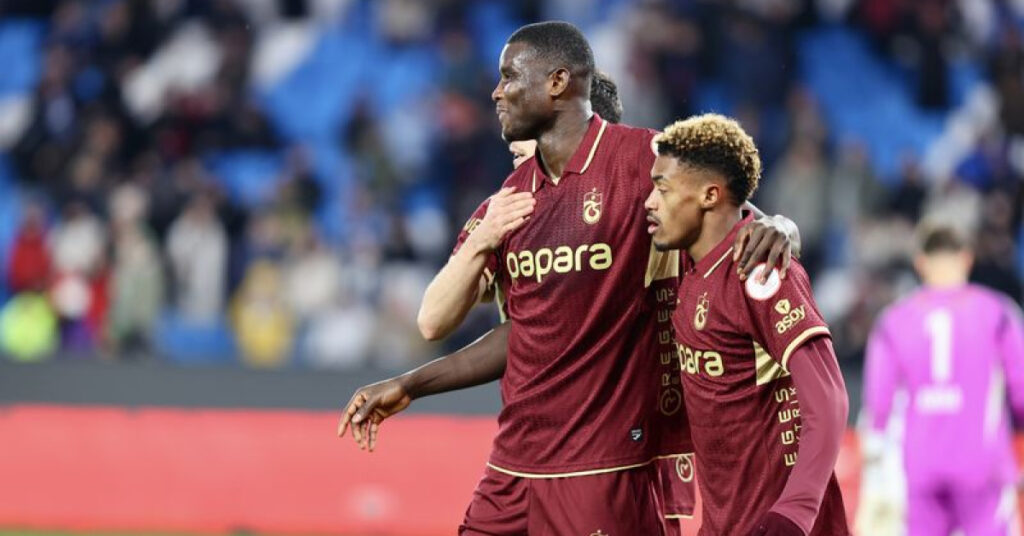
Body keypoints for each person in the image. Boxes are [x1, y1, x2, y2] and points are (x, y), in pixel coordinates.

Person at [341, 22, 798, 534]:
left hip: (602, 466)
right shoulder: (509, 200)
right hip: (512, 467)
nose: (496, 92)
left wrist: (782, 226)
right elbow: (448, 323)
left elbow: (731, 212)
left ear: (557, 82)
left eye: (510, 76)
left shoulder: (640, 158)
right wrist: (412, 380)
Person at [645, 113, 849, 535]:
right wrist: (780, 222)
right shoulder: (690, 264)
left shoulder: (759, 270)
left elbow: (828, 400)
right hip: (725, 522)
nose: (649, 201)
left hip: (779, 524)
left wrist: (794, 513)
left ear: (709, 195)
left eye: (662, 189)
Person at [863, 222, 1024, 536]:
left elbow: (879, 403)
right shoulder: (997, 312)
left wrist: (876, 464)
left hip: (920, 460)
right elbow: (1020, 388)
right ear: (966, 258)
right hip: (981, 459)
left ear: (920, 262)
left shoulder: (894, 319)